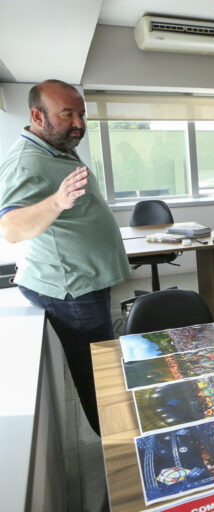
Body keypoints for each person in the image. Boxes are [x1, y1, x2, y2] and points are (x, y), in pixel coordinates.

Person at [0, 79, 130, 435]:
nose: (79, 123)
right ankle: (121, 450)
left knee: (105, 369)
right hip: (72, 290)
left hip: (86, 281)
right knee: (98, 377)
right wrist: (57, 202)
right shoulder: (27, 161)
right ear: (37, 116)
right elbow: (10, 228)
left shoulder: (55, 146)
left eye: (82, 114)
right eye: (67, 114)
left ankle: (121, 437)